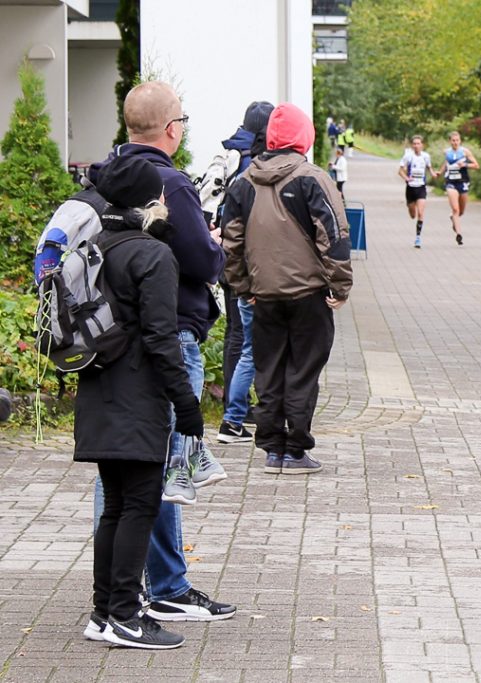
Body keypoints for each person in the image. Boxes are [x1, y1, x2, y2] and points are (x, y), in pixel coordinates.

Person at [87, 81, 236, 623]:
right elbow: (200, 260)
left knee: (123, 471)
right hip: (167, 336)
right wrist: (215, 247)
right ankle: (159, 588)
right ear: (173, 128)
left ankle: (118, 591)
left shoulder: (103, 179)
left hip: (112, 342)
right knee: (157, 469)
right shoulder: (167, 182)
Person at [76, 155, 201, 649]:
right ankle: (126, 616)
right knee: (140, 505)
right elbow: (161, 340)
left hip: (98, 390)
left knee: (116, 507)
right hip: (137, 396)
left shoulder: (95, 246)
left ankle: (103, 611)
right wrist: (186, 404)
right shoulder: (152, 255)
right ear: (152, 202)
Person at [222, 103, 353, 475]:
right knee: (302, 369)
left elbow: (231, 241)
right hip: (309, 294)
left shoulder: (243, 183)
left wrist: (242, 285)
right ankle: (295, 450)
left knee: (269, 369)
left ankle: (273, 450)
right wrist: (340, 285)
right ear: (304, 137)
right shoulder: (312, 178)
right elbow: (334, 235)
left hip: (264, 295)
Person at [217, 101, 274, 444]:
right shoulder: (253, 163)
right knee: (244, 338)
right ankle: (237, 409)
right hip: (243, 263)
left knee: (235, 334)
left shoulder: (232, 154)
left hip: (225, 257)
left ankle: (234, 406)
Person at [439, 131, 480, 246]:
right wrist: (439, 172)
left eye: (457, 140)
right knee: (455, 209)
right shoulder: (447, 152)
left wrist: (466, 165)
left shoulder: (465, 151)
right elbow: (446, 163)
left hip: (463, 183)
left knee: (461, 211)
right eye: (453, 140)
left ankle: (453, 219)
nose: (455, 142)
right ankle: (459, 234)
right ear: (450, 141)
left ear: (460, 141)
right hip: (450, 182)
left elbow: (476, 165)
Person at [399, 135, 439, 248]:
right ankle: (410, 207)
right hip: (411, 188)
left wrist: (434, 174)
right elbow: (400, 171)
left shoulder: (426, 156)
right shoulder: (408, 156)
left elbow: (429, 168)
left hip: (421, 188)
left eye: (418, 143)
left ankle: (418, 238)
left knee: (421, 213)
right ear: (412, 145)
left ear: (422, 145)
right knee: (413, 214)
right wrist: (406, 178)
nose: (416, 146)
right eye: (414, 143)